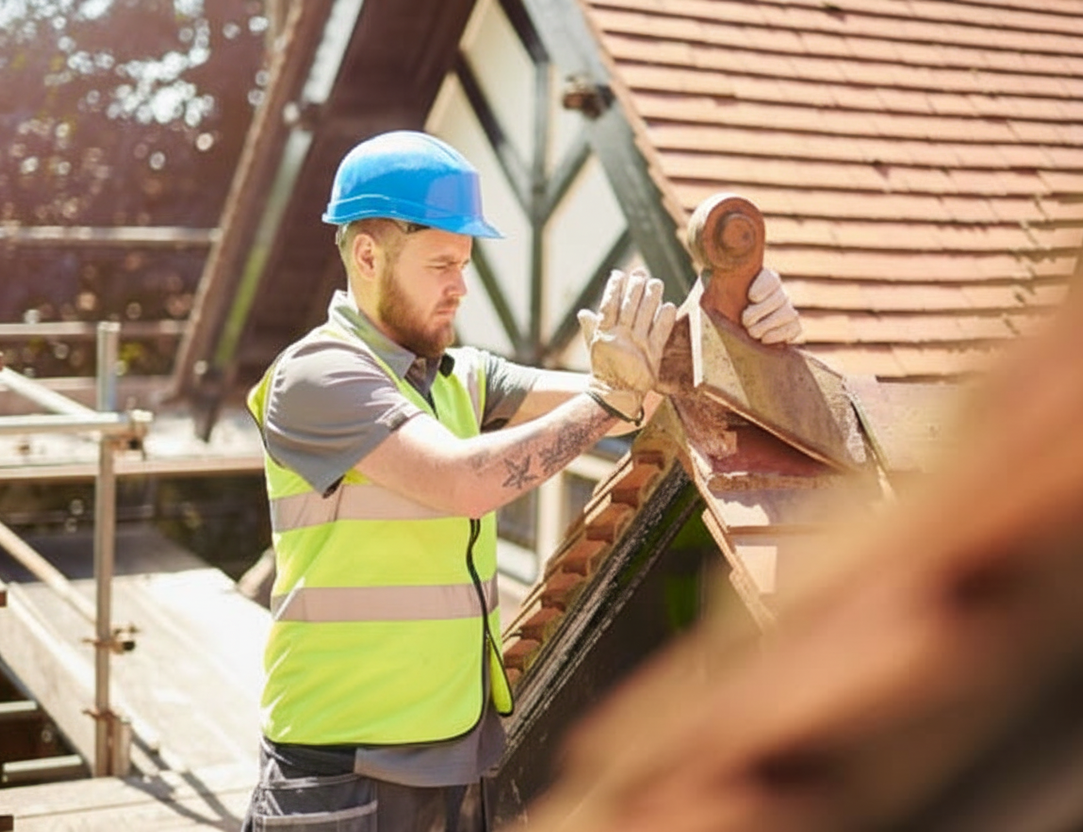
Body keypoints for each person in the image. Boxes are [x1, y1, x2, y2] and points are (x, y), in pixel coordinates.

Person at [240, 130, 801, 832]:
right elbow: (467, 482)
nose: (461, 285)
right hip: (342, 773)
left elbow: (645, 393)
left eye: (466, 263)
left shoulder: (456, 376)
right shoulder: (318, 375)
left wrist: (739, 316)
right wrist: (607, 402)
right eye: (442, 264)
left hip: (452, 758)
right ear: (366, 255)